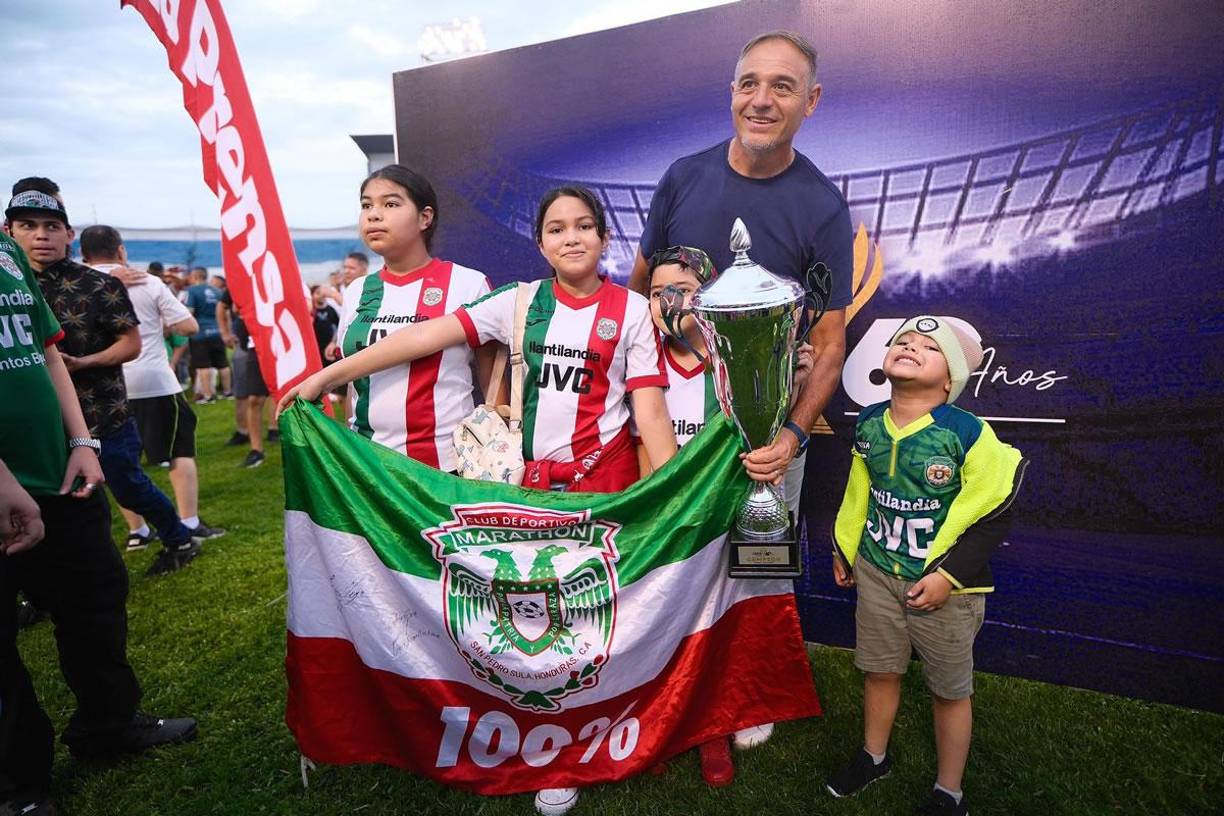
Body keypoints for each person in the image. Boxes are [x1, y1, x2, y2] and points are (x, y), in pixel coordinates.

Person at [280, 187, 677, 816]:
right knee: (533, 620)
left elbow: (650, 413)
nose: (570, 238)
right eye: (555, 228)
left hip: (603, 488)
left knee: (592, 625)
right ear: (541, 243)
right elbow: (422, 338)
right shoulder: (517, 303)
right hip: (522, 492)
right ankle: (540, 749)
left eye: (583, 227)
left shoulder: (630, 312)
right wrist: (329, 375)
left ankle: (580, 744)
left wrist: (673, 495)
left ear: (604, 238)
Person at [627, 30, 853, 566]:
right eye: (749, 84)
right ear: (732, 92)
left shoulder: (822, 207)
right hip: (671, 429)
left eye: (782, 87)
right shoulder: (683, 179)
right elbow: (637, 298)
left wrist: (791, 437)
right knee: (665, 569)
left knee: (758, 580)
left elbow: (828, 344)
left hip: (764, 445)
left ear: (811, 101)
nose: (761, 101)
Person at [0, 231, 196, 816]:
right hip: (8, 484)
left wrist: (81, 439)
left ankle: (107, 725)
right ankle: (17, 784)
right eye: (25, 220)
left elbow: (46, 351)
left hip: (59, 470)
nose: (38, 232)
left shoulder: (6, 257)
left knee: (96, 596)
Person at [826, 316, 1026, 816]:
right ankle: (874, 758)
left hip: (943, 587)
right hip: (877, 574)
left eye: (927, 346)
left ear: (949, 379)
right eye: (903, 340)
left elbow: (993, 510)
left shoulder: (966, 433)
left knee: (949, 690)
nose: (910, 346)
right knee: (880, 670)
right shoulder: (870, 421)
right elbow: (858, 493)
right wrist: (844, 545)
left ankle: (948, 791)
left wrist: (948, 575)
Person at [5, 178, 204, 576]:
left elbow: (130, 345)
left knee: (127, 485)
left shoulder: (98, 284)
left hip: (102, 412)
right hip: (35, 429)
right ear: (9, 233)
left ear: (69, 234)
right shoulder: (9, 286)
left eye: (51, 226)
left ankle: (179, 536)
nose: (41, 236)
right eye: (27, 226)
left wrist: (85, 362)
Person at [333, 165, 498, 470]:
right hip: (369, 466)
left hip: (446, 468)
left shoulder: (468, 283)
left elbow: (493, 387)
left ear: (425, 217)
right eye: (366, 205)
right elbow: (354, 383)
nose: (373, 215)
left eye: (390, 204)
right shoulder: (357, 290)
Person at [79, 225, 226, 549]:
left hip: (103, 387)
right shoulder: (145, 280)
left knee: (119, 462)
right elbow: (188, 325)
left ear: (82, 254)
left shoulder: (75, 284)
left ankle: (138, 530)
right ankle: (189, 521)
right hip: (154, 379)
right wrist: (158, 319)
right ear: (120, 250)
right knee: (179, 450)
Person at [217, 287, 274, 467]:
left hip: (281, 343)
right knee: (254, 398)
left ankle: (282, 434)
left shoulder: (281, 273)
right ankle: (256, 450)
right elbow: (226, 306)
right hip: (255, 345)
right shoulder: (242, 280)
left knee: (283, 395)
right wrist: (225, 332)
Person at [183, 266, 229, 402]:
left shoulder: (192, 290)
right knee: (222, 363)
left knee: (203, 365)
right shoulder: (216, 291)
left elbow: (189, 311)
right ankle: (228, 392)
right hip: (217, 330)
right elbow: (224, 312)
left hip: (200, 332)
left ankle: (208, 396)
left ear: (195, 276)